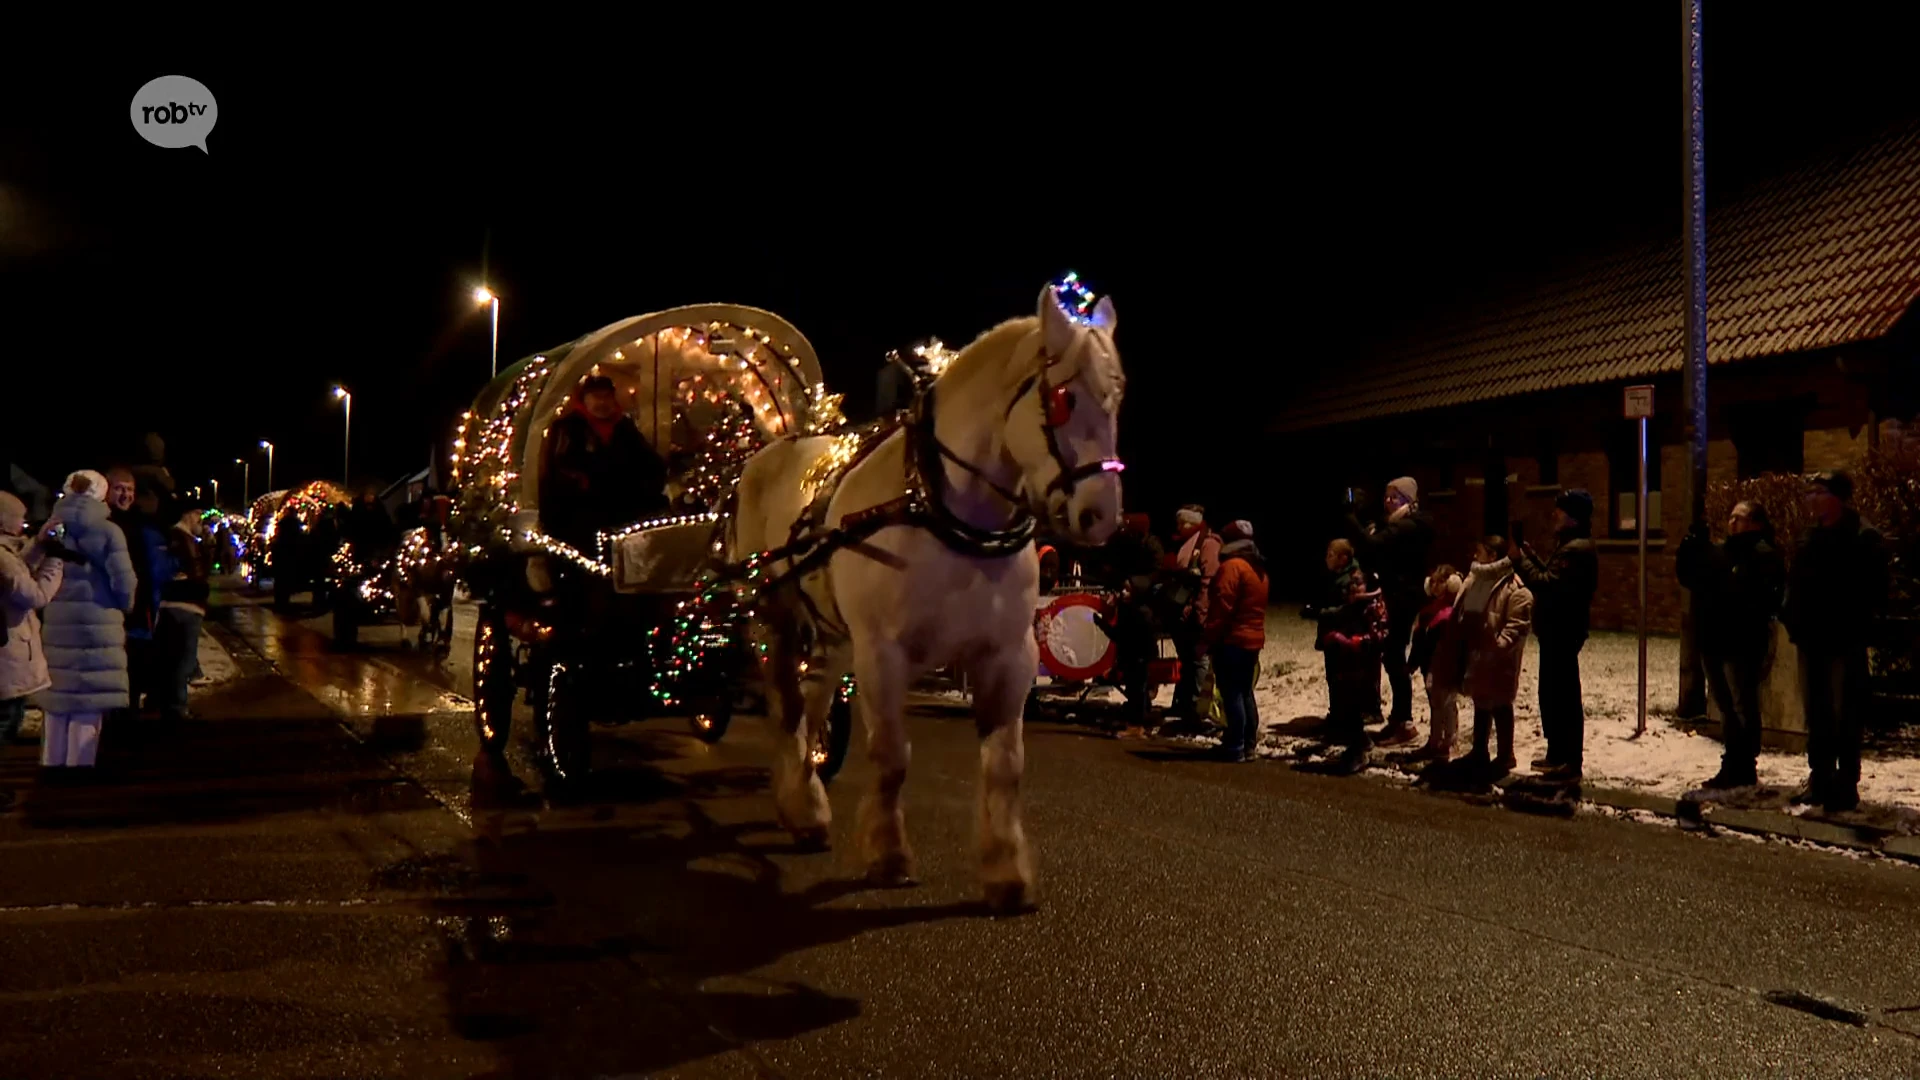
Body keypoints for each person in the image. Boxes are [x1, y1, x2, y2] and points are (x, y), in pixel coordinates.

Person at [1780, 471, 1887, 813]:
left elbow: (1874, 590)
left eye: (1819, 492)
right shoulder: (1808, 537)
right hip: (1810, 638)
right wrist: (1790, 614)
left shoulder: (1861, 537)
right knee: (1817, 712)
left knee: (1845, 712)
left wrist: (1853, 622)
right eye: (1808, 492)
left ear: (1837, 497)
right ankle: (1820, 777)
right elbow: (1794, 583)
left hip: (1843, 639)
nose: (1811, 498)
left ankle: (1846, 782)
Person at [1677, 500, 1786, 790]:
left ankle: (1744, 763)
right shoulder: (1721, 551)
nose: (1733, 522)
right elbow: (1689, 576)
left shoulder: (1762, 555)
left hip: (1740, 642)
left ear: (1756, 523)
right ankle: (1732, 761)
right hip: (1713, 639)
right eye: (1731, 516)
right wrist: (1691, 545)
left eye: (1740, 517)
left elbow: (1759, 596)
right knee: (1726, 705)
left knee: (1742, 704)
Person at [36, 471, 137, 775]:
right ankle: (79, 765)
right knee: (89, 697)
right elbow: (123, 580)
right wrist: (125, 605)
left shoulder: (52, 528)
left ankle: (52, 760)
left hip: (58, 617)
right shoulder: (109, 531)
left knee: (60, 693)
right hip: (99, 616)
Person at [1513, 488, 1599, 780]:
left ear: (1573, 518)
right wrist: (1530, 556)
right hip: (1557, 630)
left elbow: (1546, 584)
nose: (1554, 514)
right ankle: (1557, 753)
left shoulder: (1576, 550)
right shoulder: (1569, 546)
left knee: (1562, 696)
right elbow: (1549, 576)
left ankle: (1568, 758)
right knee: (1552, 694)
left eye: (1560, 510)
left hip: (1562, 631)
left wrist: (1519, 561)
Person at [1346, 477, 1436, 747]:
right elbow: (1372, 552)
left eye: (1394, 497)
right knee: (1391, 654)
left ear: (1407, 500)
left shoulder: (1411, 525)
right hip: (1395, 595)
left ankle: (1405, 723)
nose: (1388, 502)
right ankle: (1398, 718)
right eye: (1386, 496)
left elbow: (1374, 546)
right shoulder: (1394, 525)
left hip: (1405, 597)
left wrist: (1350, 518)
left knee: (1396, 655)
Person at [542, 374, 671, 555]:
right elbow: (561, 466)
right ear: (585, 399)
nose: (602, 403)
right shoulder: (570, 427)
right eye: (596, 397)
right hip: (584, 510)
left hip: (622, 507)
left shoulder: (623, 426)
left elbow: (648, 461)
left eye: (606, 397)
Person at [1459, 536, 1533, 775]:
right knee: (1480, 701)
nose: (1474, 557)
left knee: (1500, 703)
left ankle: (1505, 755)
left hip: (1499, 658)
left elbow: (1517, 625)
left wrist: (1498, 645)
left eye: (1479, 552)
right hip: (1478, 653)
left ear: (1492, 555)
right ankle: (1479, 750)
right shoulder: (1476, 581)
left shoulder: (1513, 588)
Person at [1, 492, 64, 743]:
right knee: (6, 725)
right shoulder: (3, 559)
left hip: (8, 657)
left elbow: (18, 569)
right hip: (8, 656)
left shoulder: (6, 555)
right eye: (20, 518)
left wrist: (38, 544)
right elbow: (35, 595)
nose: (23, 523)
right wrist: (55, 560)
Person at [1204, 520, 1269, 762]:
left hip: (1232, 639)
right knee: (1245, 692)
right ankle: (1248, 744)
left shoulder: (1232, 567)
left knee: (1231, 694)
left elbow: (1222, 605)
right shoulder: (1258, 568)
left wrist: (1210, 635)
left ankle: (1235, 745)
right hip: (1253, 638)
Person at [1323, 571, 1391, 772]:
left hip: (1363, 665)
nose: (1353, 586)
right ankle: (1358, 743)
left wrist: (1352, 642)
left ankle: (1358, 751)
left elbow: (1379, 636)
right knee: (1348, 707)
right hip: (1348, 664)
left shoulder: (1373, 608)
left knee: (1355, 706)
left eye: (1358, 583)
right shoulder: (1350, 606)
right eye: (1351, 583)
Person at [155, 505, 212, 724]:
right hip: (186, 605)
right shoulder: (181, 538)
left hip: (180, 603)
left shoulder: (178, 537)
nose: (201, 519)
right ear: (187, 514)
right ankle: (177, 707)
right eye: (198, 514)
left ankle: (170, 704)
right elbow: (195, 574)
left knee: (176, 658)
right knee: (183, 660)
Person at [1167, 505, 1222, 721]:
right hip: (1186, 612)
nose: (1179, 527)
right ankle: (1185, 704)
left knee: (1199, 660)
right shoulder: (1189, 543)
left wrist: (1201, 611)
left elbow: (1207, 581)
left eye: (1183, 523)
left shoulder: (1207, 545)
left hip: (1197, 612)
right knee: (1188, 660)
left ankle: (1198, 707)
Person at [1303, 538, 1366, 721]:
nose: (1326, 559)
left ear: (1343, 558)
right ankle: (1337, 715)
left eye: (1331, 555)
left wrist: (1318, 613)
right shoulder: (1337, 576)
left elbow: (1349, 610)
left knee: (1344, 680)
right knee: (1334, 678)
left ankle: (1347, 721)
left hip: (1344, 638)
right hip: (1334, 636)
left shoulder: (1352, 578)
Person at [1409, 565, 1466, 761]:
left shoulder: (1452, 613)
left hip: (1445, 665)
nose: (1434, 586)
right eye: (1432, 581)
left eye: (1440, 582)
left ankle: (1449, 742)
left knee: (1448, 704)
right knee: (1435, 704)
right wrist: (1413, 662)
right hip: (1429, 665)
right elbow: (1419, 641)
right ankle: (1435, 740)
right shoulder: (1429, 612)